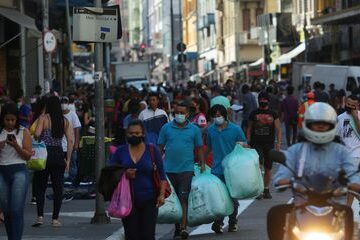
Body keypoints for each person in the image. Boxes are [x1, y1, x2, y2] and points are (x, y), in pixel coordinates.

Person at [268, 102, 360, 240]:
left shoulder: (341, 151)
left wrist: (352, 183)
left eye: (325, 124)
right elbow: (281, 176)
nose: (320, 127)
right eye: (316, 124)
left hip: (332, 203)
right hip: (302, 203)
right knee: (275, 214)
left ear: (332, 126)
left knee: (347, 213)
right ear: (308, 124)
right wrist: (286, 181)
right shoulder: (296, 150)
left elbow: (353, 174)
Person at [109, 120, 166, 240]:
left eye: (137, 133)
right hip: (127, 201)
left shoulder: (152, 150)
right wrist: (124, 173)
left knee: (148, 235)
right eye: (131, 133)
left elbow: (161, 175)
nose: (134, 136)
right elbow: (110, 173)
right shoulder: (120, 151)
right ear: (126, 134)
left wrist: (161, 195)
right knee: (131, 235)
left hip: (150, 199)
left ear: (143, 134)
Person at [158, 101, 204, 239]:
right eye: (177, 112)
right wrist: (156, 164)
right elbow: (159, 147)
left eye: (182, 113)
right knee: (175, 199)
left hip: (186, 169)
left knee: (184, 198)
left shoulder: (194, 129)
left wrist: (201, 162)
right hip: (169, 169)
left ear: (187, 114)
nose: (179, 115)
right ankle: (177, 227)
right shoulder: (166, 128)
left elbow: (199, 147)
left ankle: (183, 228)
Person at [205, 104, 247, 234]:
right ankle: (218, 223)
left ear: (225, 115)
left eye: (219, 115)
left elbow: (245, 144)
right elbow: (207, 148)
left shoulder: (235, 129)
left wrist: (242, 145)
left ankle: (233, 222)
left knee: (233, 197)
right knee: (219, 198)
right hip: (216, 170)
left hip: (232, 170)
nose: (217, 118)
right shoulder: (211, 130)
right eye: (214, 116)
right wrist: (201, 162)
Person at [33, 96, 73, 227]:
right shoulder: (65, 121)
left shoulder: (43, 119)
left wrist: (41, 118)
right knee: (58, 188)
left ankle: (40, 217)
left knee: (40, 186)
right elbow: (70, 141)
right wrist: (68, 159)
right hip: (58, 154)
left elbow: (37, 134)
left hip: (44, 155)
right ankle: (55, 219)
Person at [0, 103, 32, 240]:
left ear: (17, 119)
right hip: (2, 171)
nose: (10, 123)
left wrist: (16, 146)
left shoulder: (24, 131)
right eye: (7, 120)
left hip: (19, 170)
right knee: (6, 211)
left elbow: (28, 155)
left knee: (16, 210)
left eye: (13, 120)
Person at [247, 91, 282, 199]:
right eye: (261, 100)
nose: (262, 102)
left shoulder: (273, 114)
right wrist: (248, 142)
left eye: (264, 100)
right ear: (258, 101)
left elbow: (278, 130)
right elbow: (249, 128)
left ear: (268, 102)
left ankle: (266, 189)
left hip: (269, 145)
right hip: (256, 144)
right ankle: (259, 190)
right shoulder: (253, 113)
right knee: (257, 167)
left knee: (268, 168)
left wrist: (278, 144)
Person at [336, 95, 360, 207]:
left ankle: (348, 208)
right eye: (348, 104)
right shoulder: (340, 118)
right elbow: (336, 137)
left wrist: (355, 118)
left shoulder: (359, 116)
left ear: (357, 106)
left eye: (352, 105)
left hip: (356, 155)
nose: (349, 106)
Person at [61, 97, 81, 187]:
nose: (63, 104)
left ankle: (72, 184)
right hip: (60, 146)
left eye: (65, 102)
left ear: (68, 103)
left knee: (73, 165)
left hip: (71, 145)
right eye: (62, 102)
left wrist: (76, 143)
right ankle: (63, 185)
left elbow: (77, 129)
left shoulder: (72, 114)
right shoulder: (57, 114)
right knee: (61, 166)